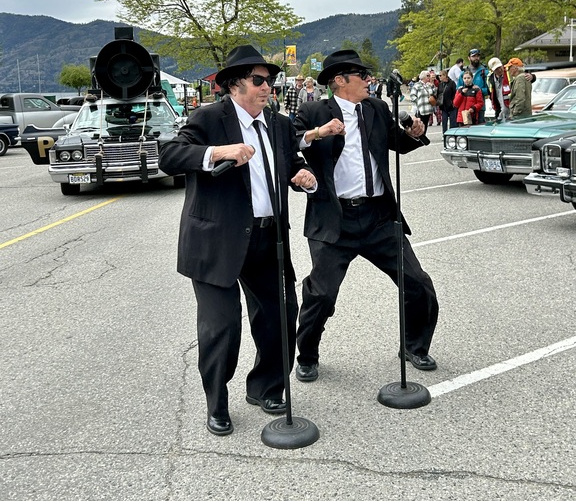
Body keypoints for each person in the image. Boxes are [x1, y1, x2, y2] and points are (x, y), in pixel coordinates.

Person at [158, 45, 317, 437]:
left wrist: (302, 173)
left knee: (280, 316)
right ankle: (217, 402)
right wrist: (217, 152)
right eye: (259, 80)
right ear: (233, 85)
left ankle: (266, 387)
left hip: (268, 238)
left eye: (271, 80)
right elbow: (171, 155)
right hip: (217, 242)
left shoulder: (278, 125)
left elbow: (291, 159)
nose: (267, 87)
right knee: (221, 327)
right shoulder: (208, 118)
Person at [293, 49, 439, 382]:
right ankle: (308, 354)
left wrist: (414, 133)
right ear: (339, 81)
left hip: (377, 216)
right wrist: (319, 133)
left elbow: (395, 142)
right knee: (322, 294)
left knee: (416, 282)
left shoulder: (376, 108)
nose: (369, 80)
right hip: (334, 217)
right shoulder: (313, 110)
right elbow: (292, 143)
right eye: (362, 75)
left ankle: (414, 347)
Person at [457, 49, 489, 123]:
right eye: (474, 56)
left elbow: (488, 90)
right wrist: (464, 91)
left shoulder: (484, 71)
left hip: (479, 108)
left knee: (480, 129)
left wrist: (479, 90)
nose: (476, 58)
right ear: (469, 58)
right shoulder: (463, 73)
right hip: (465, 108)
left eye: (477, 56)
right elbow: (458, 89)